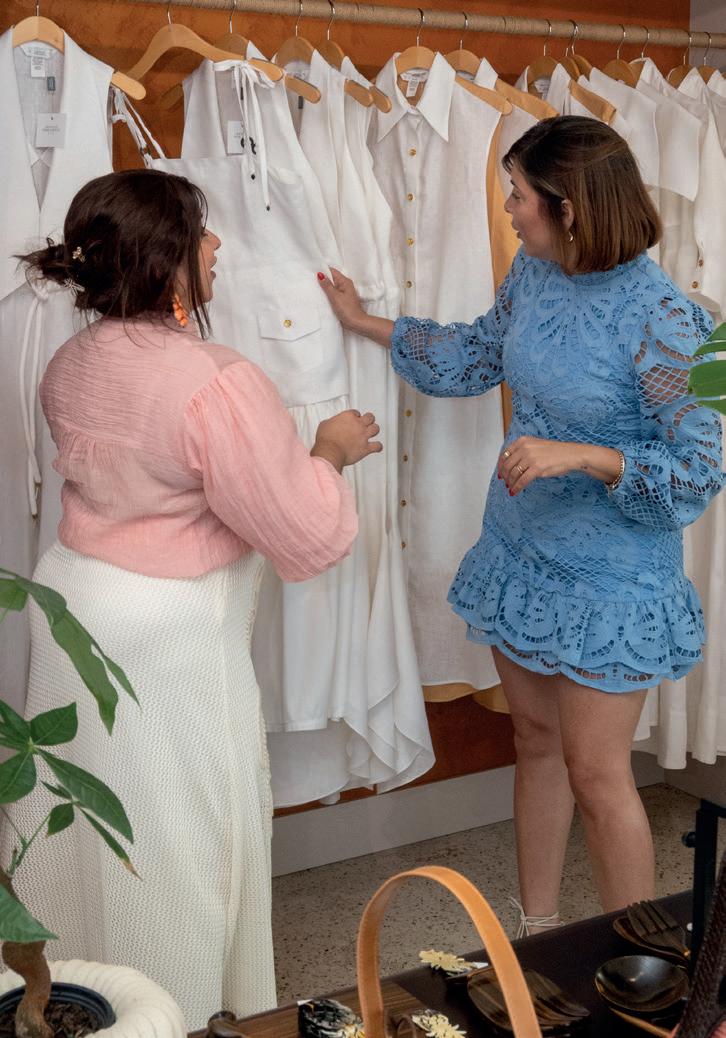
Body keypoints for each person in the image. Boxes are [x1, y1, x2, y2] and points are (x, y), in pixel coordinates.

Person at [319, 115, 725, 935]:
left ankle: (640, 968)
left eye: (517, 195)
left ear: (568, 207)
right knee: (535, 741)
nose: (507, 209)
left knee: (598, 774)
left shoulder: (664, 319)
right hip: (521, 551)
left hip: (612, 579)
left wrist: (583, 455)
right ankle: (536, 934)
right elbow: (478, 353)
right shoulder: (535, 274)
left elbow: (700, 469)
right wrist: (368, 324)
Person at [2, 168, 381, 1028]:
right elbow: (304, 530)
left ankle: (69, 999)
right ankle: (179, 1011)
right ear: (166, 259)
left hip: (72, 607)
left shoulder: (69, 363)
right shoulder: (215, 380)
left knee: (77, 818)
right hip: (172, 630)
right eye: (201, 231)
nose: (216, 245)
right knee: (179, 840)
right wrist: (329, 451)